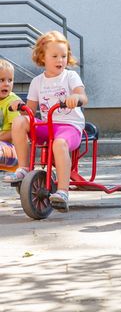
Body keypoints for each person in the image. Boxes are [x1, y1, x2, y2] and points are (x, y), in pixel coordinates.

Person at [3, 31, 88, 213]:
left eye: (64, 56)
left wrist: (75, 97)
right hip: (47, 125)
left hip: (69, 126)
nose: (60, 60)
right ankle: (24, 167)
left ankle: (63, 191)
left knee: (59, 143)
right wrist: (19, 105)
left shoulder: (70, 77)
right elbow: (31, 111)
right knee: (20, 122)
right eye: (55, 56)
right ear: (43, 57)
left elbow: (83, 97)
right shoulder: (37, 82)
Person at [0, 59, 20, 171]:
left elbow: (15, 132)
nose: (6, 84)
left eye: (10, 80)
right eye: (1, 80)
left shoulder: (13, 102)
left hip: (13, 150)